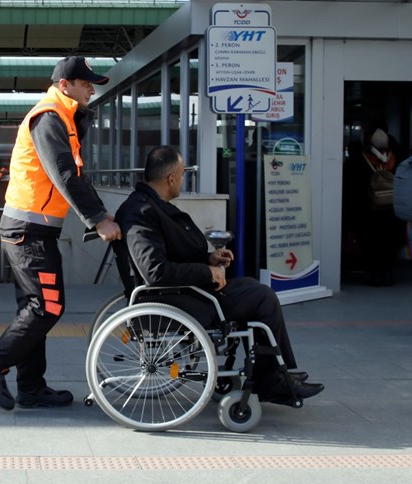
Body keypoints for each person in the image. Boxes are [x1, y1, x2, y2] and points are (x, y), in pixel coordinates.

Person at [113, 145, 324, 405]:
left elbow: (168, 255)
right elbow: (156, 271)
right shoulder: (141, 212)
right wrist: (207, 272)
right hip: (178, 300)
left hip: (185, 293)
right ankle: (272, 379)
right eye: (183, 174)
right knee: (262, 297)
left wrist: (208, 258)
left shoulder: (149, 206)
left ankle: (276, 372)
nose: (183, 179)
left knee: (252, 289)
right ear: (171, 178)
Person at [0, 56, 122, 411]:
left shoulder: (64, 117)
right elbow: (64, 174)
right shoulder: (49, 117)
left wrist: (101, 212)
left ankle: (31, 389)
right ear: (64, 84)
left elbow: (76, 174)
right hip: (29, 231)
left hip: (32, 229)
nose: (91, 89)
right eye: (85, 83)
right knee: (47, 307)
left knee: (34, 307)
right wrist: (97, 219)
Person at [358, 127, 404, 286]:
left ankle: (375, 273)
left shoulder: (363, 159)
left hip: (371, 210)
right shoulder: (395, 159)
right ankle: (387, 272)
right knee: (389, 242)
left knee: (372, 242)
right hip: (391, 209)